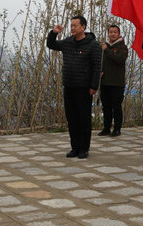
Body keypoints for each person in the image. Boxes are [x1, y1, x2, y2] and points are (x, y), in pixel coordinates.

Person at [46, 15, 102, 159]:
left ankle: (84, 149)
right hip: (69, 86)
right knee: (72, 119)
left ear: (83, 27)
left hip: (84, 88)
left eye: (75, 25)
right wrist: (54, 33)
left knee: (83, 119)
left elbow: (97, 67)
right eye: (71, 25)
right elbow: (51, 45)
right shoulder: (68, 42)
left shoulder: (93, 45)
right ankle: (74, 147)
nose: (72, 28)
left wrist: (94, 86)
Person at [98, 24, 129, 137]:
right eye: (110, 32)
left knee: (116, 106)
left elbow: (119, 60)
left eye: (115, 32)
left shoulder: (122, 47)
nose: (112, 34)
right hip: (105, 81)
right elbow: (100, 61)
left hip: (117, 82)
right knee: (106, 106)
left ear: (119, 34)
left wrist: (107, 51)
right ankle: (106, 128)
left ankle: (117, 128)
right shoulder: (103, 47)